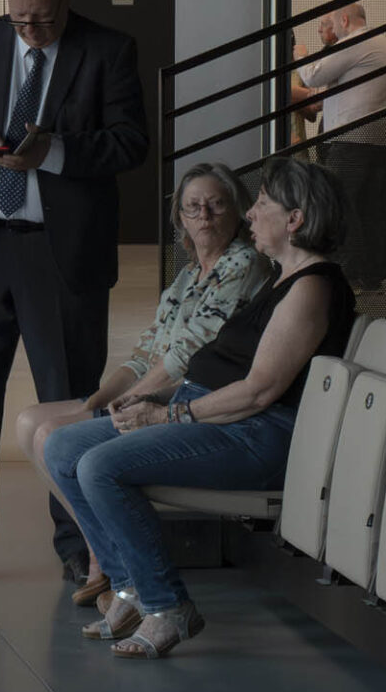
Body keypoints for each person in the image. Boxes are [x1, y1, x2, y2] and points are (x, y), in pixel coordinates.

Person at [44, 158, 356, 657]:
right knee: (62, 448)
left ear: (294, 219)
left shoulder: (312, 287)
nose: (250, 214)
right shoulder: (282, 278)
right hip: (216, 418)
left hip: (255, 434)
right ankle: (130, 588)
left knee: (99, 466)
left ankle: (167, 605)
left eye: (262, 203)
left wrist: (167, 414)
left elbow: (259, 392)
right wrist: (157, 397)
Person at [0, 0, 149, 588]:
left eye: (44, 20)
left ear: (67, 1)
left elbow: (131, 140)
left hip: (62, 255)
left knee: (70, 406)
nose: (31, 31)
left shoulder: (108, 50)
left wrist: (53, 152)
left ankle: (79, 544)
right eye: (20, 20)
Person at [17, 161, 274, 604]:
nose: (205, 216)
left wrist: (126, 402)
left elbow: (183, 356)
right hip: (156, 388)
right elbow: (144, 355)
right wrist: (95, 402)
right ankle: (103, 549)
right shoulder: (187, 275)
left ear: (237, 211)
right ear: (180, 218)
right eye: (193, 207)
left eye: (216, 205)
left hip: (186, 397)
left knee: (51, 435)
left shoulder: (243, 263)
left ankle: (106, 562)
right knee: (28, 423)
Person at [290, 0, 386, 298]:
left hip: (351, 140)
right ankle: (369, 275)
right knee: (366, 209)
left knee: (339, 205)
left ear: (345, 21)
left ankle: (348, 275)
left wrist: (301, 55)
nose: (332, 30)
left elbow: (313, 75)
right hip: (374, 141)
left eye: (332, 23)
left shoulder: (356, 41)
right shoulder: (380, 42)